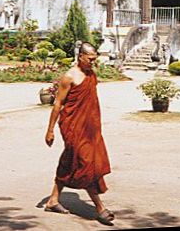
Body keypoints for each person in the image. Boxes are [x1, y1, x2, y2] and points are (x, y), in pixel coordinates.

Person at [44, 41, 114, 225]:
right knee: (86, 163)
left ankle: (52, 200)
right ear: (80, 57)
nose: (92, 62)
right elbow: (58, 104)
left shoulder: (91, 74)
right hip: (73, 126)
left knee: (70, 160)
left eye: (94, 60)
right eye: (90, 59)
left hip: (90, 127)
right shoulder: (69, 77)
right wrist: (50, 130)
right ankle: (100, 208)